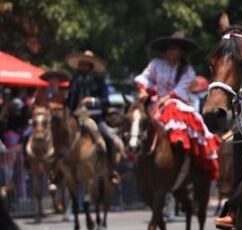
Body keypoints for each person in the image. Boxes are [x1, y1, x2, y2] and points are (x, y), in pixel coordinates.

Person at [134, 32, 220, 181]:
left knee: (172, 109)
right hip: (155, 100)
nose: (173, 51)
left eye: (177, 49)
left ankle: (180, 146)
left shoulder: (187, 70)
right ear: (166, 50)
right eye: (171, 48)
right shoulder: (155, 64)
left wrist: (166, 98)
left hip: (177, 101)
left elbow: (181, 89)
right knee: (135, 117)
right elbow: (144, 78)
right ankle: (134, 147)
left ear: (181, 52)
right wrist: (142, 90)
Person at [64, 50, 121, 184]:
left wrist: (93, 101)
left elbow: (106, 100)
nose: (82, 67)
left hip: (94, 117)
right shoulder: (74, 81)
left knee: (109, 139)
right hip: (76, 118)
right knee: (59, 137)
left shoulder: (99, 81)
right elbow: (69, 102)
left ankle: (112, 171)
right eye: (81, 64)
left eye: (85, 64)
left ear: (90, 66)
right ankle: (57, 174)